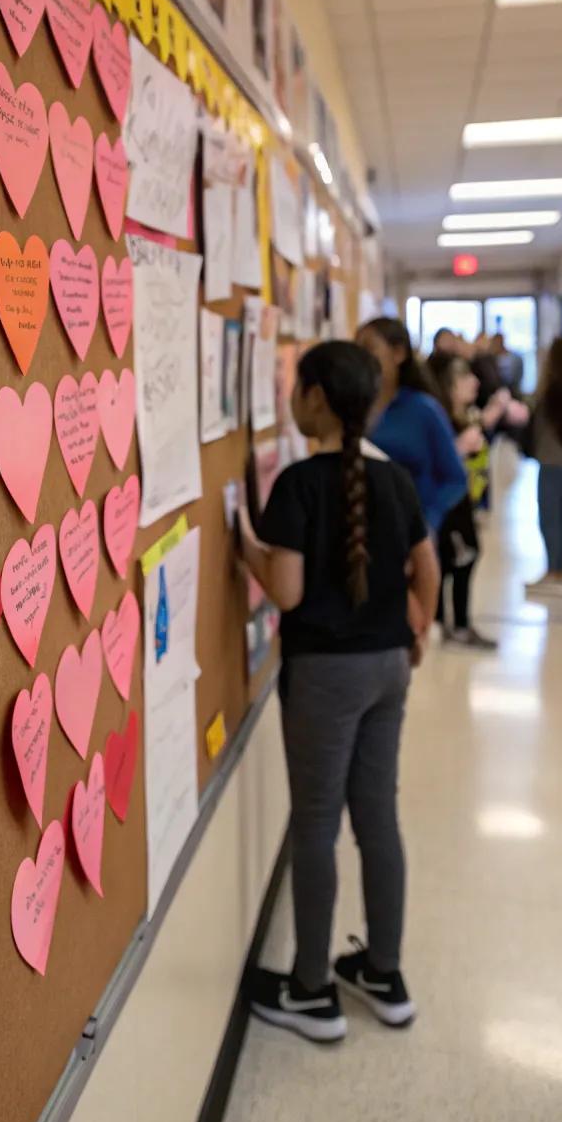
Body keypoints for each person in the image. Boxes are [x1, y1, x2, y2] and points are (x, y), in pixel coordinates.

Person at [238, 340, 439, 1043]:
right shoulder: (395, 482)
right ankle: (384, 974)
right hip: (388, 664)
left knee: (317, 824)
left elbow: (287, 591)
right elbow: (427, 568)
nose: (290, 397)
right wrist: (419, 629)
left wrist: (246, 548)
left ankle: (312, 990)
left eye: (295, 386)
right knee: (376, 818)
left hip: (327, 674)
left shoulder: (297, 484)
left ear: (316, 397)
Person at [356, 317, 467, 533]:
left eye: (368, 348)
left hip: (412, 534)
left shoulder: (423, 409)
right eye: (356, 349)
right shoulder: (352, 407)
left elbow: (455, 479)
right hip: (362, 534)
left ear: (398, 354)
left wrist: (428, 522)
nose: (360, 357)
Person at [429, 352, 502, 649]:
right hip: (447, 505)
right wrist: (459, 448)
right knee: (454, 558)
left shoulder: (465, 416)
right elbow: (433, 464)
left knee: (461, 557)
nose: (474, 382)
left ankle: (455, 623)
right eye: (465, 378)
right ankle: (446, 624)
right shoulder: (439, 419)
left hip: (463, 502)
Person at [526, 337, 562, 598]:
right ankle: (559, 568)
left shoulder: (550, 389)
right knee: (560, 518)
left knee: (550, 517)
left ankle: (555, 571)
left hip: (552, 459)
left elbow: (539, 427)